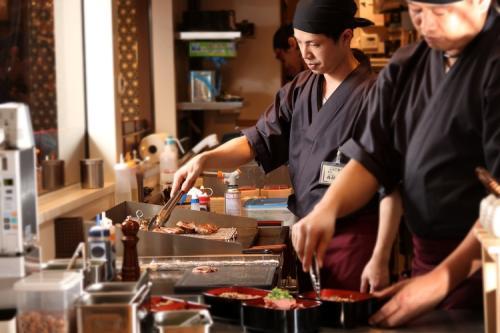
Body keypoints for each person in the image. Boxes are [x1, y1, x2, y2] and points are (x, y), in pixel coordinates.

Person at [292, 0, 500, 326]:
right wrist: (327, 209)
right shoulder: (406, 66)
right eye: (417, 11)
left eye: (439, 12)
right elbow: (372, 158)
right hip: (425, 260)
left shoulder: (494, 64)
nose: (425, 25)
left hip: (486, 264)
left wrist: (443, 279)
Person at [173, 0, 398, 291]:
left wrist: (381, 255)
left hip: (353, 239)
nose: (305, 54)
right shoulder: (300, 88)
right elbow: (256, 141)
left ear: (345, 37)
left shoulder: (375, 94)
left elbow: (391, 184)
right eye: (300, 43)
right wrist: (205, 159)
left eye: (315, 44)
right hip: (304, 234)